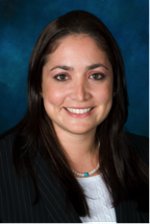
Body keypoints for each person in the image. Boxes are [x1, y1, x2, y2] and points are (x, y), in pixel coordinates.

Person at [0, 10, 149, 224]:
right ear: (38, 86)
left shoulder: (146, 155)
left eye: (96, 76)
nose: (80, 94)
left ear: (115, 84)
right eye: (62, 77)